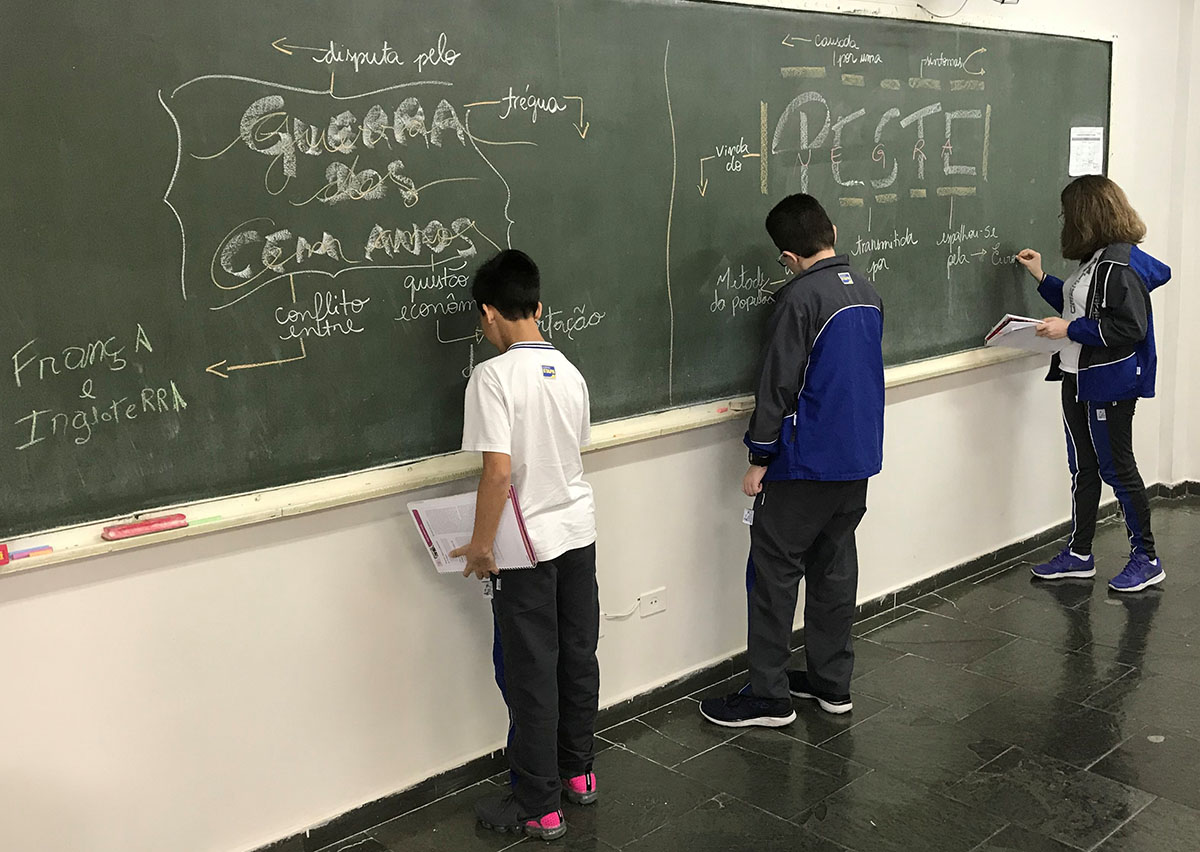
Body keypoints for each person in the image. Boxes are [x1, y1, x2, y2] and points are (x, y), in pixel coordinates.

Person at [700, 194, 884, 727]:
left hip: (805, 464)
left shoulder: (799, 298)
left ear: (785, 254)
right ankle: (832, 685)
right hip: (857, 458)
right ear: (831, 229)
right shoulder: (867, 292)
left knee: (775, 573)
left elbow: (778, 383)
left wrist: (760, 457)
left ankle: (768, 695)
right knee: (834, 570)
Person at [452, 249, 599, 842]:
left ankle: (538, 804)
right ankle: (578, 774)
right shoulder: (570, 371)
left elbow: (497, 472)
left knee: (530, 673)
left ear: (489, 314)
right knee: (577, 656)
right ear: (538, 307)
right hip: (577, 534)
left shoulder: (491, 376)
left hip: (526, 547)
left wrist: (481, 546)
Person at [1017, 175, 1171, 593]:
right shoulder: (1096, 258)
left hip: (1108, 383)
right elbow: (1078, 307)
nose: (1065, 220)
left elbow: (1129, 327)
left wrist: (1070, 328)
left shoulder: (1120, 265)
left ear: (1087, 215)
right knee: (1083, 468)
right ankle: (1079, 554)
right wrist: (1042, 276)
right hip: (1075, 376)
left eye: (1069, 213)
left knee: (1117, 468)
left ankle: (1147, 557)